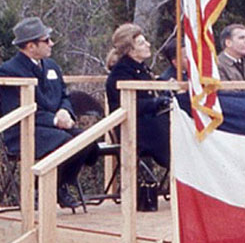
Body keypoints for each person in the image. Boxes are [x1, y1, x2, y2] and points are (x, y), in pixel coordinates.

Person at [0, 17, 98, 209]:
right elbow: (17, 110)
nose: (51, 44)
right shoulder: (9, 71)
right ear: (31, 46)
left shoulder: (52, 66)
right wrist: (54, 120)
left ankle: (59, 185)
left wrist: (65, 111)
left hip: (55, 127)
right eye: (46, 40)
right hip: (24, 131)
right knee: (66, 142)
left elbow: (64, 95)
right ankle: (46, 189)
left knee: (86, 139)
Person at [105, 23, 170, 169]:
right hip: (132, 128)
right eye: (141, 43)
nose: (148, 44)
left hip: (149, 123)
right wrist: (157, 102)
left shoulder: (142, 68)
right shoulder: (121, 73)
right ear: (130, 50)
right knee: (167, 130)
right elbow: (127, 106)